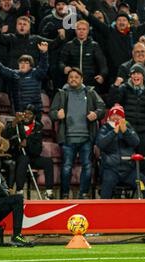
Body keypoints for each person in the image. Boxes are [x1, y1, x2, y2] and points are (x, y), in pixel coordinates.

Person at [49, 67, 106, 199]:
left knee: (87, 166)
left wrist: (96, 114)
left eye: (76, 77)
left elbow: (102, 108)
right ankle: (64, 194)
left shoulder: (90, 92)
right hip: (68, 138)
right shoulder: (61, 93)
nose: (73, 79)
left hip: (87, 138)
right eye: (71, 77)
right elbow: (51, 113)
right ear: (67, 79)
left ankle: (83, 194)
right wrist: (57, 114)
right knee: (67, 167)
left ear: (82, 79)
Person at [3, 105, 55, 199]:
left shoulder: (38, 128)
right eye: (25, 113)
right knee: (24, 159)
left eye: (29, 114)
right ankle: (19, 191)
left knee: (48, 162)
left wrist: (28, 144)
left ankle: (49, 192)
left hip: (32, 156)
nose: (26, 115)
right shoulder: (16, 123)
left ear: (34, 116)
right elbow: (5, 135)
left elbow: (38, 150)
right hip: (17, 156)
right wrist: (15, 122)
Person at [96, 104, 145, 199]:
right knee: (106, 187)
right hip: (111, 169)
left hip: (129, 170)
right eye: (113, 115)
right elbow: (101, 144)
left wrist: (125, 132)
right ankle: (104, 211)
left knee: (144, 182)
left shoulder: (128, 127)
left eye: (118, 115)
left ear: (122, 117)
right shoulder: (104, 128)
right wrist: (114, 132)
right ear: (109, 117)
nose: (115, 117)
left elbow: (136, 142)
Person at [0, 41, 49, 114]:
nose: (23, 65)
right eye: (21, 63)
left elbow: (43, 66)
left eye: (26, 63)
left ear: (31, 65)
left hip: (34, 113)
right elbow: (2, 68)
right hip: (19, 112)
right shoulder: (14, 74)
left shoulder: (36, 74)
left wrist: (44, 53)